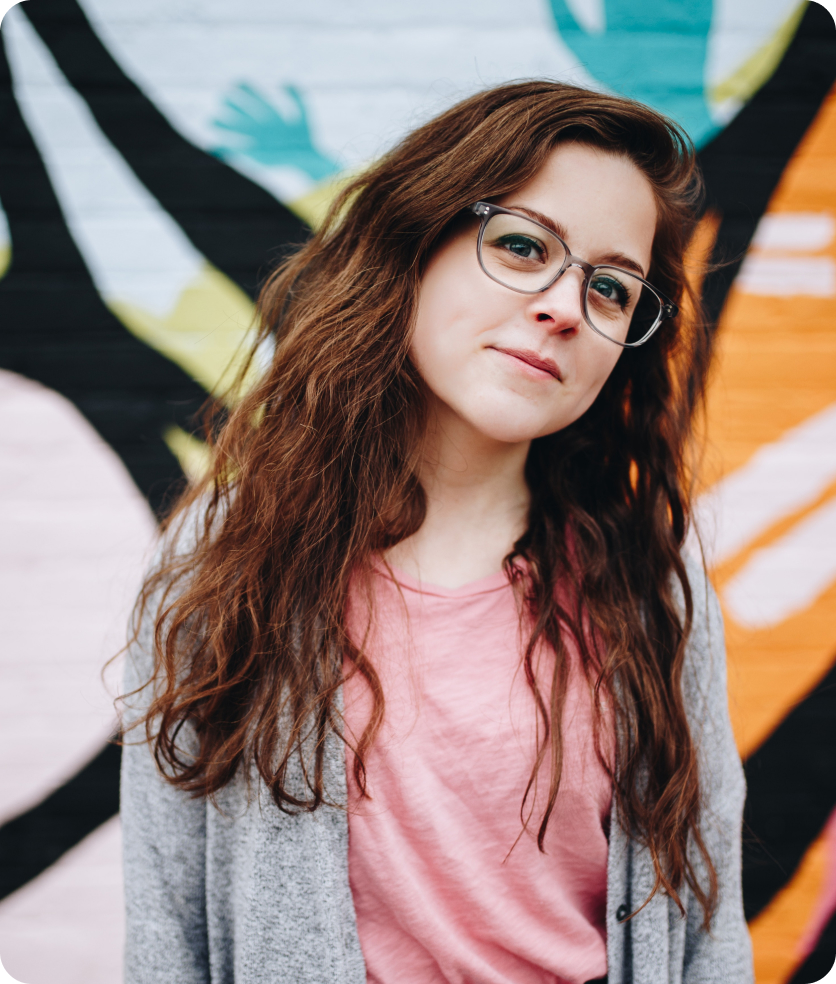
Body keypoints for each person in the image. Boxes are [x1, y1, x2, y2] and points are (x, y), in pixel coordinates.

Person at [119, 81, 753, 984]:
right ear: (417, 243)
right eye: (525, 246)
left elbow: (708, 920)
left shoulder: (650, 576)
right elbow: (164, 924)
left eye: (613, 289)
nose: (566, 307)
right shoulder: (225, 556)